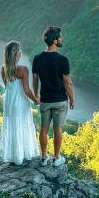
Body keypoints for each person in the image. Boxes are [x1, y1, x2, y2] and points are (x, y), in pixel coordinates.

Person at [32, 26, 74, 167]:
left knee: (43, 129)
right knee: (58, 130)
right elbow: (68, 83)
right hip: (60, 100)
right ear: (55, 41)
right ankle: (56, 158)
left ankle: (43, 157)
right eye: (60, 37)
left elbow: (35, 80)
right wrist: (72, 99)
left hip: (45, 100)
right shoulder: (63, 60)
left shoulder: (37, 59)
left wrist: (36, 95)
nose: (62, 39)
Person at [0, 41, 41, 165]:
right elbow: (27, 91)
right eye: (20, 50)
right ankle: (23, 154)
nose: (21, 52)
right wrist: (36, 100)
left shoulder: (3, 69)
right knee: (22, 125)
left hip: (9, 102)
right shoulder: (23, 69)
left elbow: (7, 87)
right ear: (17, 53)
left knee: (13, 127)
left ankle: (13, 156)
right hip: (20, 103)